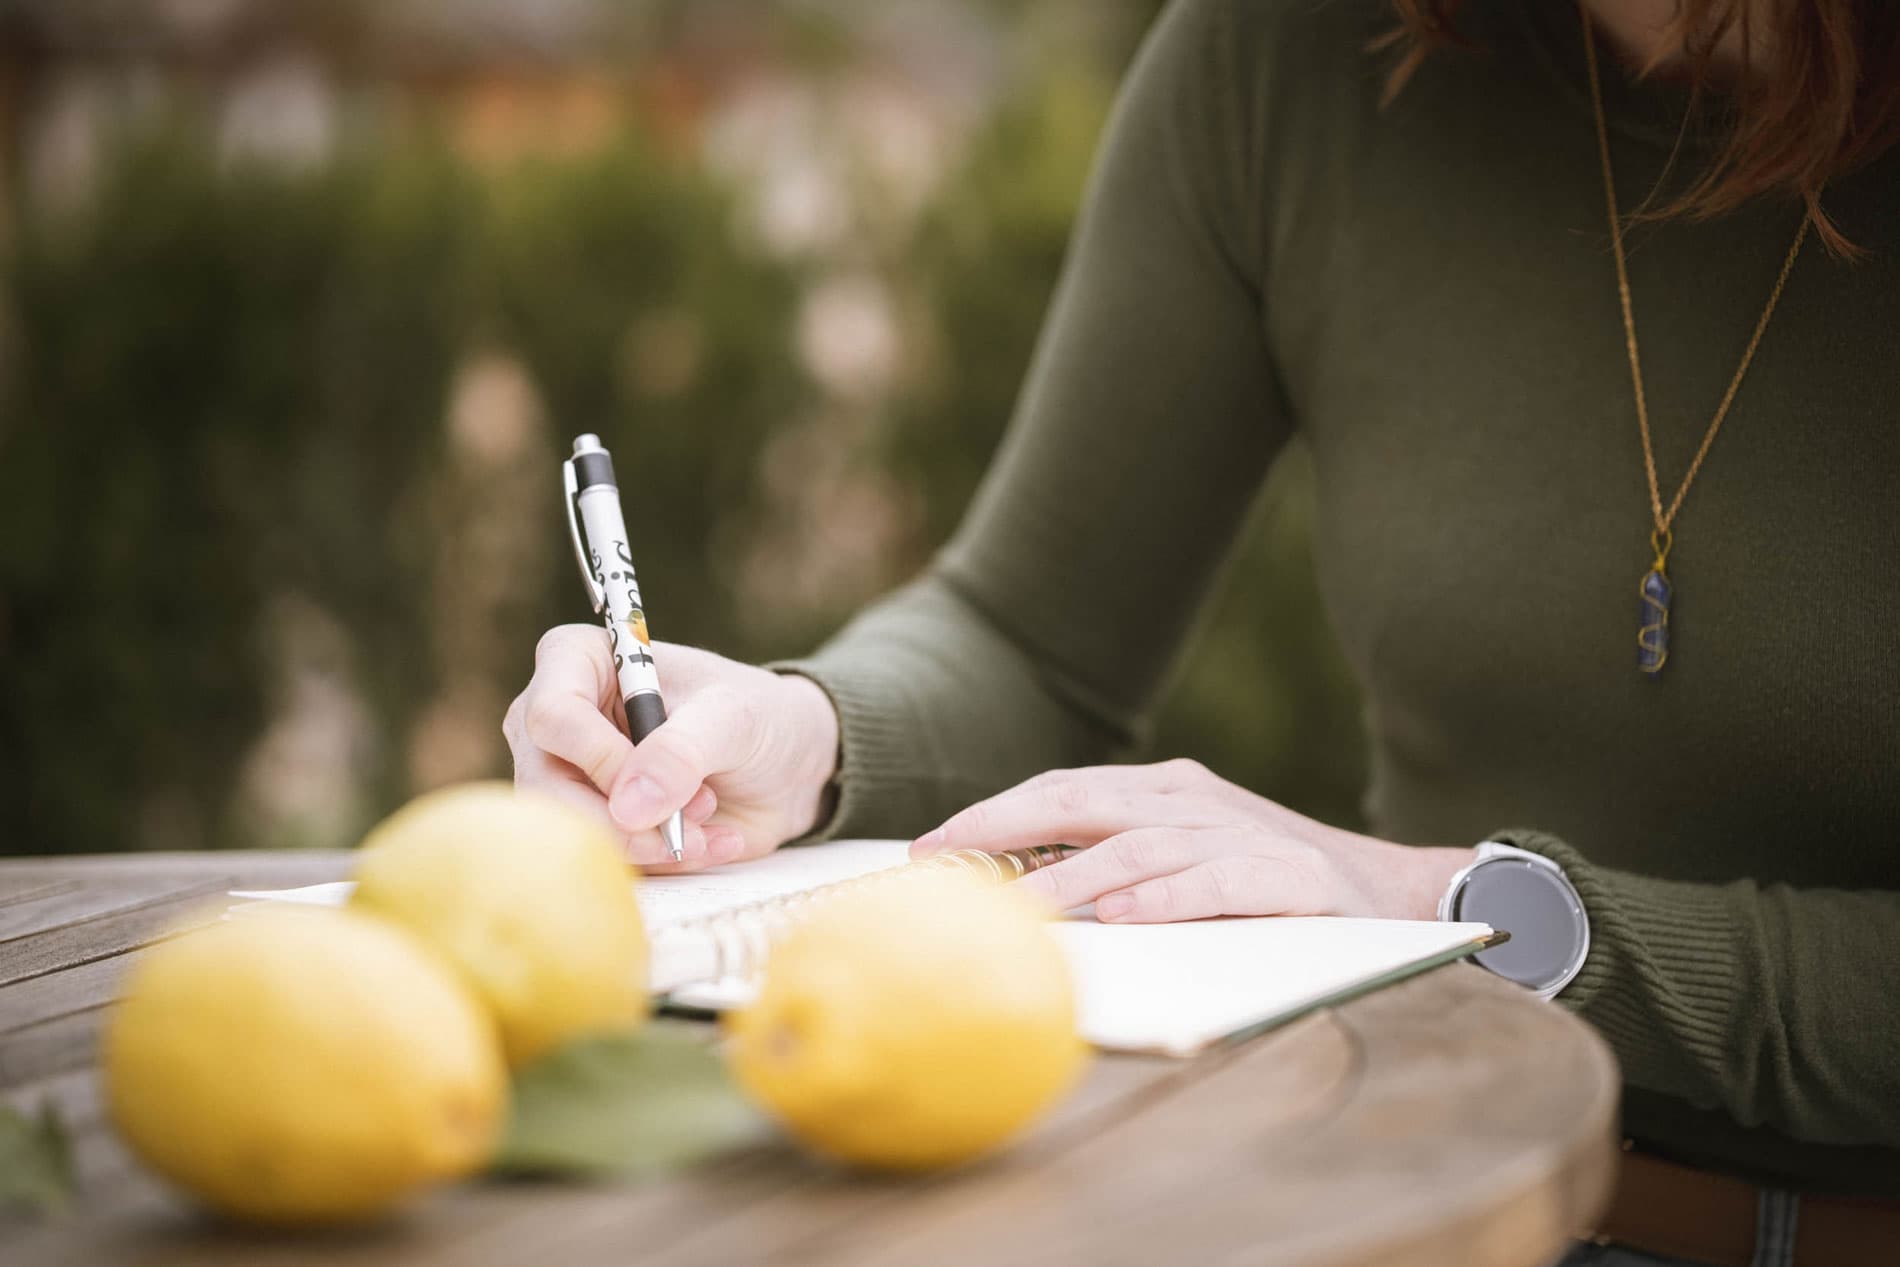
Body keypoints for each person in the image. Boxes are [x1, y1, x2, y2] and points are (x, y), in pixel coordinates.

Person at [505, 1, 1900, 1262]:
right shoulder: (1297, 56)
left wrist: (1449, 906)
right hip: (1431, 1211)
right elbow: (1033, 630)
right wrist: (800, 732)